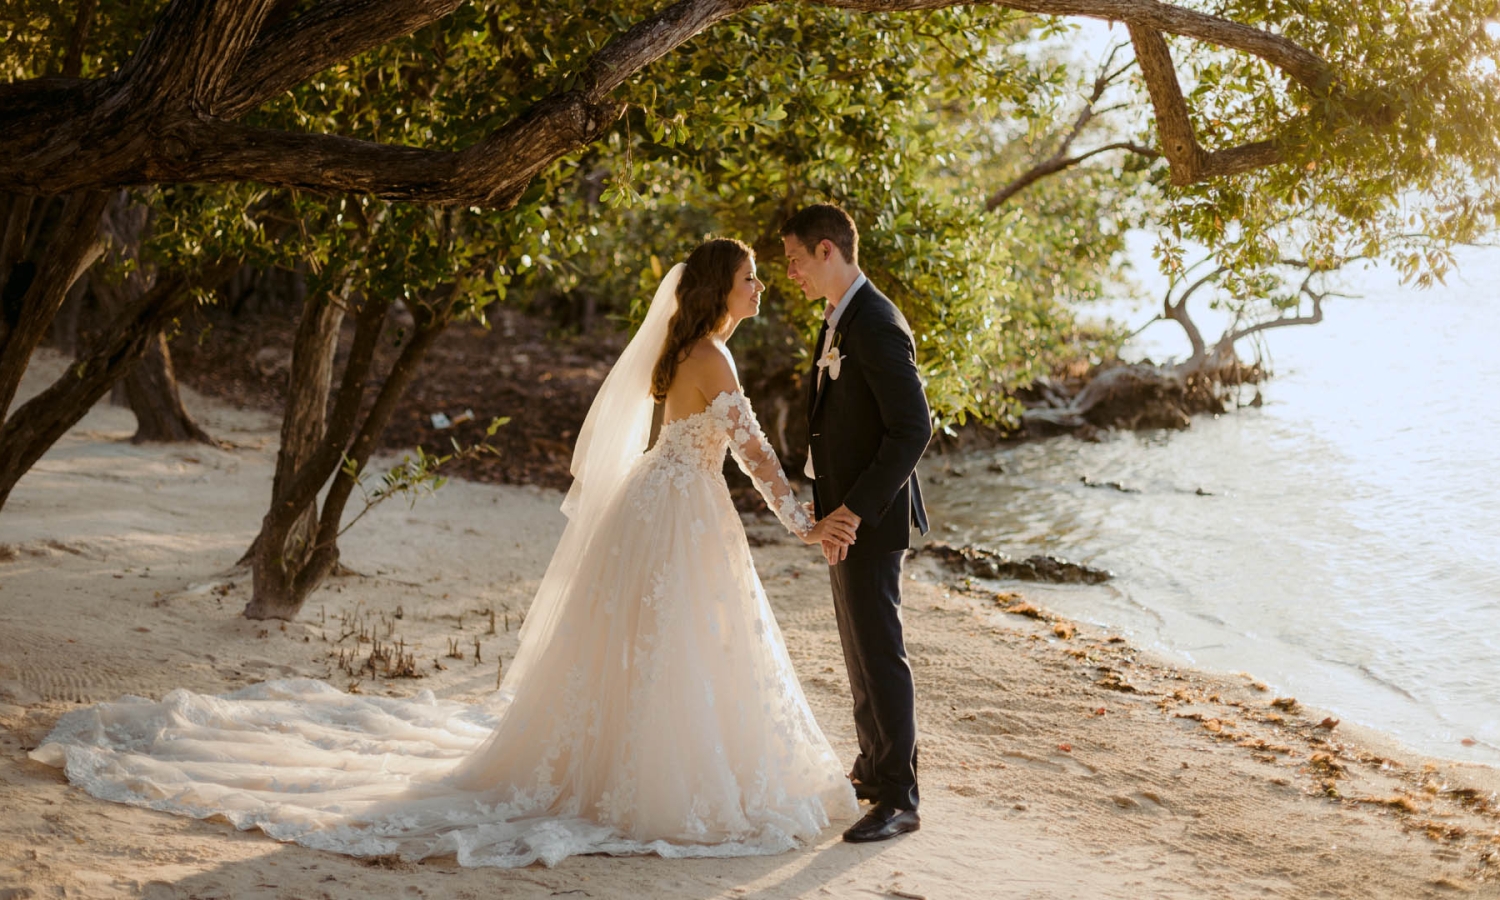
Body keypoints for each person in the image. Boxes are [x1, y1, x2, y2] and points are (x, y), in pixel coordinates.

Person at [30, 238, 860, 867]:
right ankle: (649, 779)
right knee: (680, 643)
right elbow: (755, 459)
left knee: (655, 644)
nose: (760, 286)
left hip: (663, 503)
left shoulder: (688, 352)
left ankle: (620, 761)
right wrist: (806, 525)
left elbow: (710, 449)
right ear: (724, 288)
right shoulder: (712, 357)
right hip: (681, 511)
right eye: (752, 276)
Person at [781, 204, 931, 843]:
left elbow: (913, 428)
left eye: (793, 260)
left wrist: (853, 508)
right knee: (857, 647)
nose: (790, 273)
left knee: (880, 650)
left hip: (870, 514)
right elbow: (838, 419)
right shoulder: (841, 315)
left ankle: (900, 796)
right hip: (844, 512)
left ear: (825, 250)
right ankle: (872, 768)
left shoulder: (874, 321)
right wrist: (826, 501)